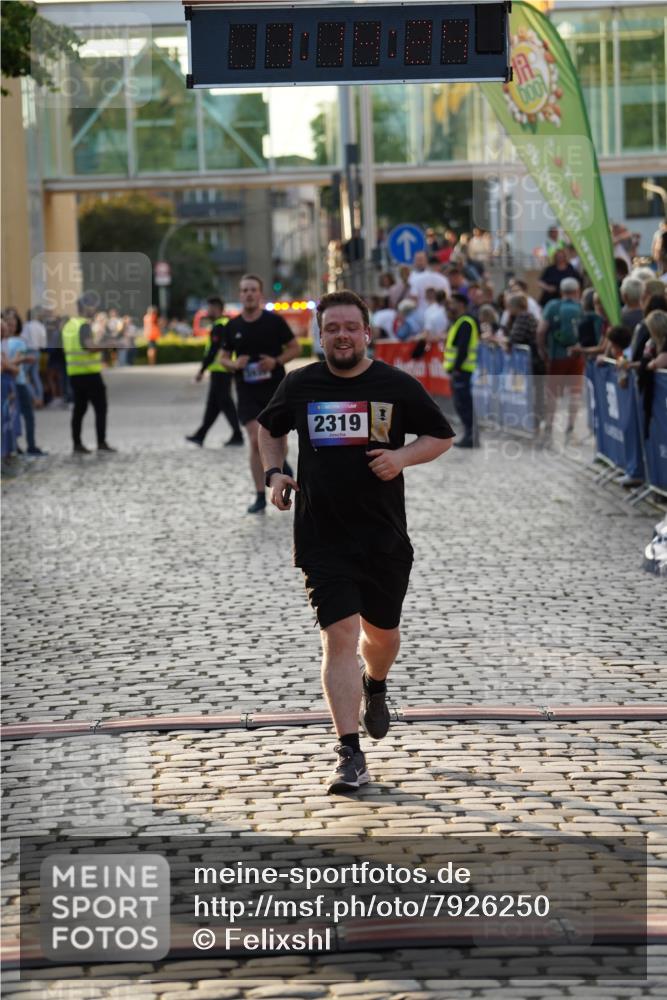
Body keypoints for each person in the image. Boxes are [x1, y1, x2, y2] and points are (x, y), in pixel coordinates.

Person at [256, 289, 454, 794]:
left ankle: (377, 684)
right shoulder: (300, 383)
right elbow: (268, 428)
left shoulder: (394, 384)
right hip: (322, 535)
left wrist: (402, 458)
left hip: (383, 537)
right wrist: (276, 472)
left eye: (350, 327)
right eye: (331, 329)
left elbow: (440, 435)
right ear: (319, 336)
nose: (341, 336)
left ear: (367, 333)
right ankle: (349, 753)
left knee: (380, 637)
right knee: (339, 636)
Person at [220, 274, 301, 513]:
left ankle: (279, 461)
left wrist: (275, 361)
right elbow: (223, 359)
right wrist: (235, 365)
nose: (248, 294)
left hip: (275, 388)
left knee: (278, 438)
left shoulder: (274, 322)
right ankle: (259, 494)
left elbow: (295, 348)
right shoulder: (232, 326)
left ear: (260, 294)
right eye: (244, 290)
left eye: (253, 290)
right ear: (239, 295)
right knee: (256, 440)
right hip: (246, 390)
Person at [62, 294, 121, 454]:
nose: (95, 309)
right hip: (90, 374)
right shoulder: (84, 325)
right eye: (92, 306)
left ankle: (77, 444)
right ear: (86, 308)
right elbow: (89, 347)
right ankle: (101, 442)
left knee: (79, 410)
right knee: (100, 408)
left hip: (74, 374)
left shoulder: (69, 325)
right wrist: (108, 345)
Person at [186, 296, 243, 448]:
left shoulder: (219, 326)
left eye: (210, 308)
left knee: (226, 403)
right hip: (221, 370)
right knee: (214, 405)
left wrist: (202, 370)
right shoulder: (225, 324)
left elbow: (213, 351)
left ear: (217, 309)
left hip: (221, 370)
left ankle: (238, 435)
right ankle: (201, 435)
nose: (207, 311)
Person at [538, 276, 583, 441]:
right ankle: (570, 429)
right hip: (577, 356)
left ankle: (549, 427)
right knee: (575, 393)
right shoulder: (581, 306)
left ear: (561, 291)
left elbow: (541, 331)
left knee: (552, 393)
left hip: (557, 356)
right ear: (577, 291)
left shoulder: (553, 306)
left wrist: (543, 350)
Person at [3, 309, 47, 456]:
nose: (11, 327)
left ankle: (16, 445)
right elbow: (13, 363)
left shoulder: (14, 342)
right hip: (15, 382)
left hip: (17, 381)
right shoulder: (18, 342)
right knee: (21, 416)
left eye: (13, 324)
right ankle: (27, 445)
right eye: (8, 324)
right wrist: (20, 360)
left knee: (13, 416)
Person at [443, 293, 480, 448]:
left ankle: (471, 437)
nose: (450, 306)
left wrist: (456, 369)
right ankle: (469, 435)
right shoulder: (459, 322)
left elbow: (462, 349)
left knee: (465, 405)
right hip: (459, 370)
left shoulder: (466, 322)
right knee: (461, 404)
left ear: (461, 304)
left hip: (463, 370)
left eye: (453, 303)